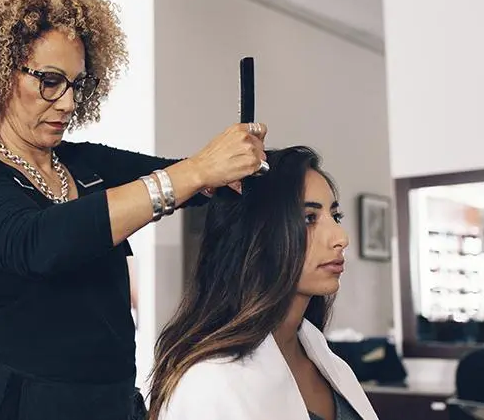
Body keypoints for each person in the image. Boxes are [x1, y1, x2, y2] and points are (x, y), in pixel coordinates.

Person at [0, 0, 269, 420]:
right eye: (50, 81)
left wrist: (235, 169)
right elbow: (37, 242)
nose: (68, 102)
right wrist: (195, 172)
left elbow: (193, 179)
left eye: (77, 84)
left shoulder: (85, 163)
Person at [149, 146, 379, 420]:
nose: (341, 237)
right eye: (309, 218)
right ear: (256, 237)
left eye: (335, 216)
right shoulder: (209, 384)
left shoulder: (332, 366)